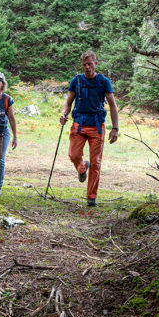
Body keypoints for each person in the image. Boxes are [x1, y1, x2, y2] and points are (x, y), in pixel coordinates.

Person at [59, 51, 119, 206]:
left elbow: (112, 105)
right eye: (84, 65)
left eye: (90, 64)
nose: (87, 67)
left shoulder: (103, 81)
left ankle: (91, 197)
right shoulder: (76, 81)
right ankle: (81, 167)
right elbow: (68, 102)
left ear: (96, 64)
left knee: (96, 162)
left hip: (97, 126)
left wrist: (115, 128)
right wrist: (64, 113)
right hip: (78, 123)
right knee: (73, 154)